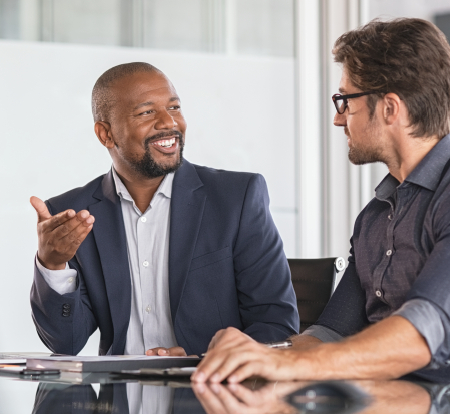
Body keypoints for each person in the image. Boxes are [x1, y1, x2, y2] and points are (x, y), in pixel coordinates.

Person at [192, 17, 450, 383]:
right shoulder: (376, 216)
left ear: (390, 108)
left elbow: (424, 332)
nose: (337, 118)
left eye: (345, 101)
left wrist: (288, 365)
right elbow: (329, 334)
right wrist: (248, 355)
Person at [29, 62, 299, 357]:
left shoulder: (236, 199)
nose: (168, 122)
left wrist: (203, 360)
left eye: (174, 107)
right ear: (106, 134)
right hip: (120, 398)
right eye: (146, 112)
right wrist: (52, 265)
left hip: (209, 393)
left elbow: (276, 325)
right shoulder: (72, 214)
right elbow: (65, 343)